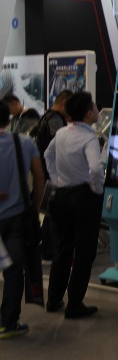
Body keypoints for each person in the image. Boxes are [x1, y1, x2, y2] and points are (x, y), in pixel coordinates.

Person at [45, 91, 106, 319]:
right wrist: (97, 189)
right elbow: (96, 168)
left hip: (62, 196)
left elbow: (48, 154)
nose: (97, 110)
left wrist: (56, 179)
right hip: (83, 197)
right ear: (88, 113)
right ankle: (74, 303)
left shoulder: (62, 133)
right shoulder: (89, 138)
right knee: (84, 252)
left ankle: (53, 299)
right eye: (94, 106)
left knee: (63, 248)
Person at [0, 100, 44, 339]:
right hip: (17, 216)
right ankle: (8, 322)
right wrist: (35, 206)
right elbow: (39, 177)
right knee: (14, 270)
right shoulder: (25, 143)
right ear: (8, 120)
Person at [36, 90, 72, 179]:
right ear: (64, 103)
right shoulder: (55, 119)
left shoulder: (46, 116)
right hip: (53, 172)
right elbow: (58, 145)